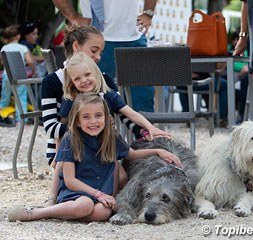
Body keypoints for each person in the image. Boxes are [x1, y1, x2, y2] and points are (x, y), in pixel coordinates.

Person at [8, 92, 181, 222]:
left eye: (98, 116)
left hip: (100, 196)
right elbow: (69, 180)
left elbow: (132, 154)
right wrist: (97, 195)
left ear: (106, 117)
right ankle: (38, 213)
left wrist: (158, 151)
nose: (93, 122)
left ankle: (68, 213)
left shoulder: (110, 137)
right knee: (85, 205)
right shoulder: (70, 139)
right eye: (86, 117)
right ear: (77, 121)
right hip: (77, 192)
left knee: (104, 213)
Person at [42, 25, 147, 167]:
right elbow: (50, 127)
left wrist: (142, 131)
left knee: (119, 177)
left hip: (101, 149)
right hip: (68, 152)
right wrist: (91, 126)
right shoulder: (53, 82)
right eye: (93, 50)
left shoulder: (104, 80)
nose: (98, 57)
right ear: (76, 47)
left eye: (101, 53)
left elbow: (123, 113)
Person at [52, 0, 157, 112]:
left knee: (142, 99)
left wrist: (148, 12)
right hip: (95, 37)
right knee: (94, 98)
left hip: (134, 36)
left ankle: (144, 129)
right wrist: (74, 18)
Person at [0, 25, 35, 127]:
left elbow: (1, 62)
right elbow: (30, 61)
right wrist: (33, 70)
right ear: (18, 36)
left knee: (5, 96)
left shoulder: (4, 47)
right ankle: (21, 121)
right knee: (21, 97)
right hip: (20, 76)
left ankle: (2, 115)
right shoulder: (22, 48)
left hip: (7, 75)